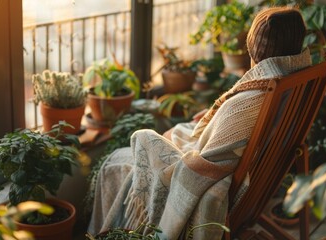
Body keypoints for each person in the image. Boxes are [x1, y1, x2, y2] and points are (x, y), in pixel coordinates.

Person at [88, 6, 311, 240]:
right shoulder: (298, 82)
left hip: (227, 186)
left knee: (120, 157)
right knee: (175, 131)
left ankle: (102, 233)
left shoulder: (253, 100)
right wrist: (217, 117)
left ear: (254, 47)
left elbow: (203, 166)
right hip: (260, 181)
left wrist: (221, 117)